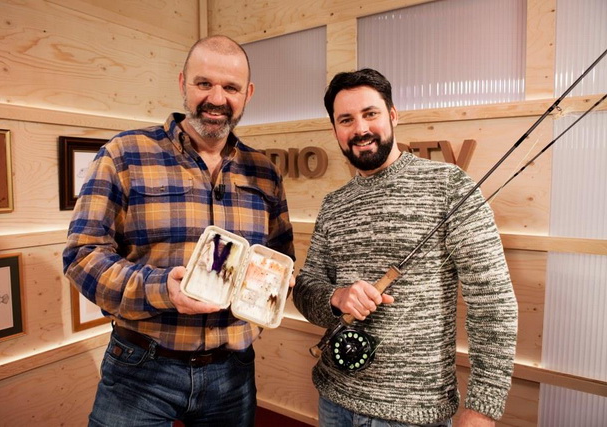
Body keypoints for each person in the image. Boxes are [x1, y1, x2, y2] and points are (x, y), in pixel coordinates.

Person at [63, 35, 294, 426]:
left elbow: (281, 259)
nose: (217, 98)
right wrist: (162, 289)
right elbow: (82, 256)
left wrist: (281, 284)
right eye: (204, 84)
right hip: (141, 368)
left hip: (233, 373)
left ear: (248, 93)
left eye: (231, 87)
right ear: (183, 82)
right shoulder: (124, 154)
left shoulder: (265, 174)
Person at [292, 69, 518, 427]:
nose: (360, 129)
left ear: (393, 115)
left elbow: (494, 302)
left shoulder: (450, 187)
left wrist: (482, 409)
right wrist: (337, 298)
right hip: (334, 400)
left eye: (371, 114)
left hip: (413, 415)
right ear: (335, 129)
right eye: (346, 120)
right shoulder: (334, 204)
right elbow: (305, 289)